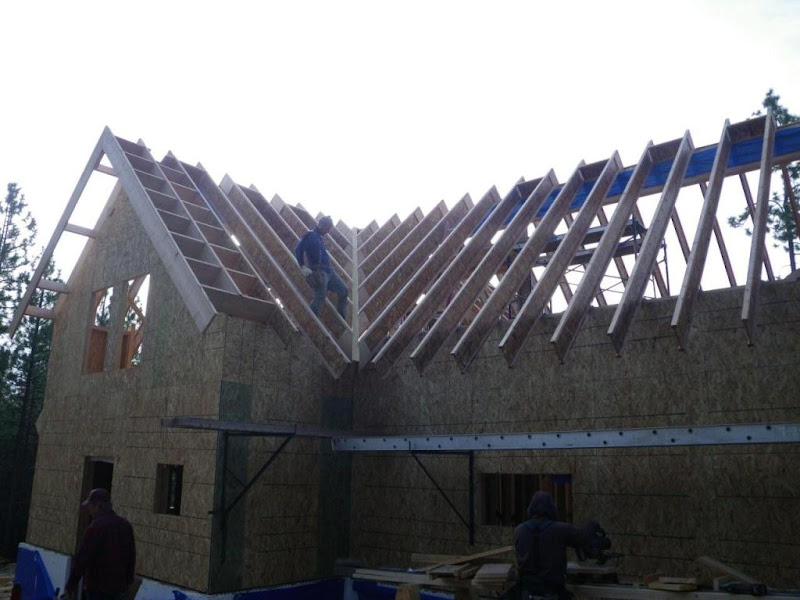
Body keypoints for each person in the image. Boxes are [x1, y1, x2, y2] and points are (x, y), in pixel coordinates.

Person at [505, 491, 601, 600]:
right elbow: (582, 537)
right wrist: (592, 525)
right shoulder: (560, 529)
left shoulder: (520, 530)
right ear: (552, 509)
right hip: (552, 590)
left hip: (526, 591)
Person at [65, 488, 136, 600]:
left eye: (90, 507)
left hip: (98, 589)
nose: (89, 511)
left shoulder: (96, 527)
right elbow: (131, 557)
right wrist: (128, 583)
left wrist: (70, 586)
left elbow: (83, 559)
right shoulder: (125, 525)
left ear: (98, 506)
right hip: (119, 590)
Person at [294, 216, 348, 319]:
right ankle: (312, 319)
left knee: (344, 290)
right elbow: (298, 249)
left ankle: (341, 315)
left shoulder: (320, 238)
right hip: (319, 271)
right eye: (327, 228)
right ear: (321, 225)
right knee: (320, 297)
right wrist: (302, 266)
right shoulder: (310, 236)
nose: (328, 231)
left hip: (329, 271)